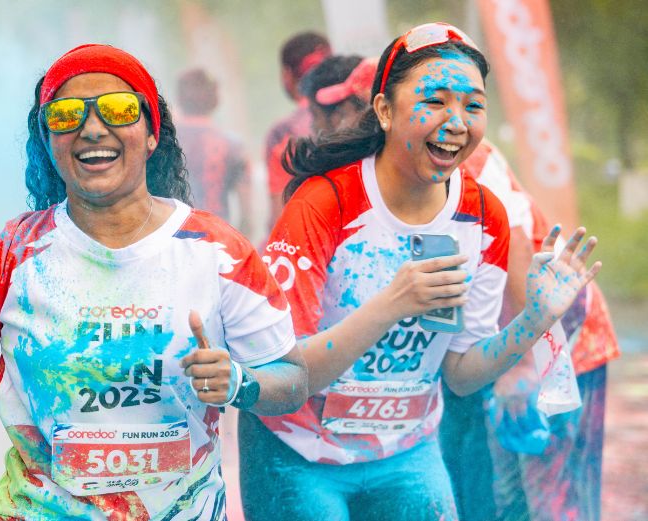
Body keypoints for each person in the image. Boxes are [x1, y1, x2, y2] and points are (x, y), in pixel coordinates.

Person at [0, 44, 308, 521]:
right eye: (66, 115)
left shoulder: (218, 253)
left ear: (152, 134)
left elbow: (293, 380)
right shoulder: (8, 255)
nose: (93, 128)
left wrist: (240, 384)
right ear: (48, 140)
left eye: (118, 110)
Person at [237, 22, 601, 520]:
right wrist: (393, 304)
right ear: (384, 110)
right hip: (296, 451)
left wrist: (532, 322)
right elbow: (285, 374)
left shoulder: (481, 216)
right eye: (435, 101)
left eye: (473, 105)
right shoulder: (326, 203)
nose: (457, 122)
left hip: (406, 453)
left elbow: (461, 374)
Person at [460, 142, 620, 521]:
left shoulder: (461, 149)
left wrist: (521, 366)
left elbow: (512, 234)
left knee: (553, 496)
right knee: (507, 496)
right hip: (499, 345)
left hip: (554, 333)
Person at [264, 31, 331, 229]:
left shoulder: (282, 133)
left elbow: (280, 217)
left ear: (286, 74)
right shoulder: (362, 113)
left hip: (310, 237)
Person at [175, 68, 252, 234]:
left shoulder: (161, 142)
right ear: (216, 100)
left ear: (180, 98)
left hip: (170, 238)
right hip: (217, 237)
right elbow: (247, 216)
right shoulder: (234, 145)